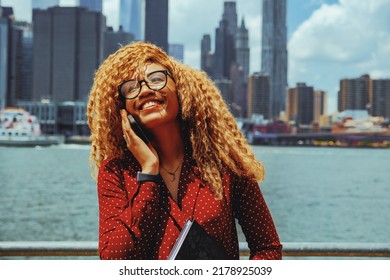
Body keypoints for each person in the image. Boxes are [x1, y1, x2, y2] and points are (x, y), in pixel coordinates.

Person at [87, 41, 282, 260]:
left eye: (156, 79)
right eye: (131, 87)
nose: (145, 90)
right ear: (123, 110)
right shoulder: (115, 172)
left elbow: (268, 248)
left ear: (181, 89)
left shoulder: (225, 164)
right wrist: (149, 172)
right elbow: (113, 259)